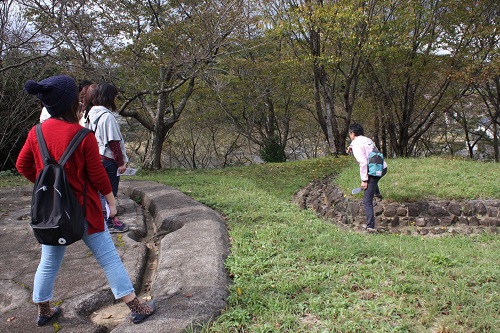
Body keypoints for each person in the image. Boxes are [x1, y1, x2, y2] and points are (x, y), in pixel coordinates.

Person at [16, 75, 155, 326]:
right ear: (72, 103)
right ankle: (136, 307)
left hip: (53, 213)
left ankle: (44, 310)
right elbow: (99, 176)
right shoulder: (82, 135)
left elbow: (22, 165)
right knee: (109, 259)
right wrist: (111, 204)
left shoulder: (35, 132)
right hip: (86, 211)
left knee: (48, 261)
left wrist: (48, 184)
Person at [87, 82, 130, 233]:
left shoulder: (91, 113)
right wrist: (121, 163)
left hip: (97, 157)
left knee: (100, 192)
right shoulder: (107, 117)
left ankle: (102, 220)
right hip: (109, 160)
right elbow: (114, 142)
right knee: (110, 191)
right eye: (115, 97)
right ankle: (110, 222)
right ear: (109, 97)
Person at [348, 123, 388, 232]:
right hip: (383, 168)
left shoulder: (356, 144)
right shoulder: (367, 139)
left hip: (374, 171)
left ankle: (370, 227)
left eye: (350, 133)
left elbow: (363, 162)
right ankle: (377, 193)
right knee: (373, 181)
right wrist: (351, 146)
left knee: (366, 201)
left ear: (352, 133)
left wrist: (364, 180)